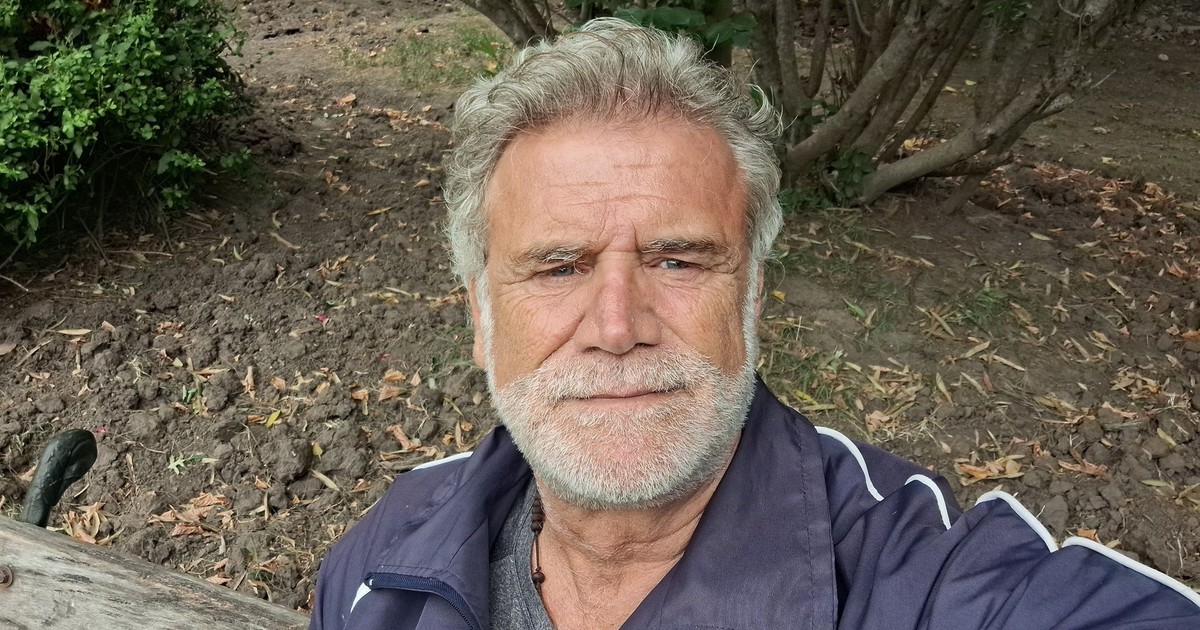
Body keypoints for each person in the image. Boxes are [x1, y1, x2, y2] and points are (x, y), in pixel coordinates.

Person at [309, 19, 1200, 630]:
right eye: (559, 266)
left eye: (678, 261)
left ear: (752, 298)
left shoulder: (916, 579)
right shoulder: (384, 560)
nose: (616, 326)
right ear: (480, 316)